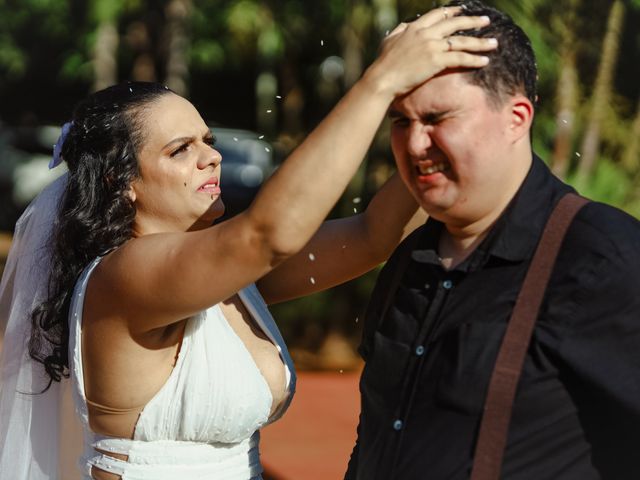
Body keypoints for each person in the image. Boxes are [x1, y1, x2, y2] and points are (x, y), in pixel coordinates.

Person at [0, 8, 498, 480]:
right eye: (181, 149)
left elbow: (372, 236)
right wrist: (379, 82)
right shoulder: (124, 276)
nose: (210, 158)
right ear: (121, 180)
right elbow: (269, 233)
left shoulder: (227, 278)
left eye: (208, 141)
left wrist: (433, 128)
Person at [345, 1, 640, 479]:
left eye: (438, 117)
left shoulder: (603, 260)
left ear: (517, 117)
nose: (416, 143)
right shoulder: (408, 263)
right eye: (401, 120)